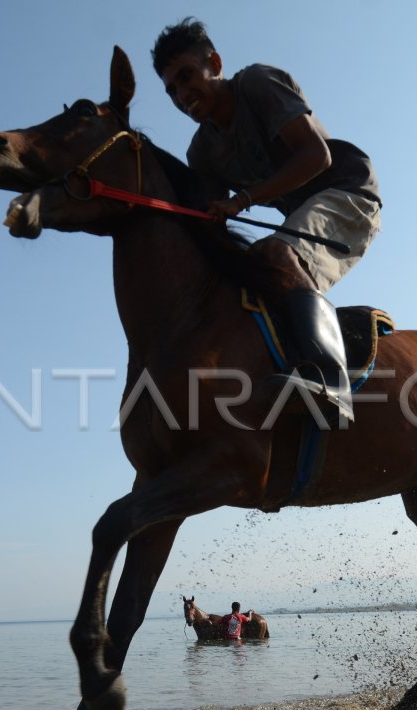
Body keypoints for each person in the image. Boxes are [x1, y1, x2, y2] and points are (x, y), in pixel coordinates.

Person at [152, 18, 382, 425]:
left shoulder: (257, 83)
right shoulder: (201, 153)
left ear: (215, 62)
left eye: (187, 77)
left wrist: (242, 199)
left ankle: (332, 383)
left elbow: (316, 156)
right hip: (299, 215)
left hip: (350, 194)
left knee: (275, 253)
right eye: (171, 90)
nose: (182, 94)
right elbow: (211, 227)